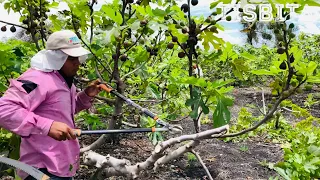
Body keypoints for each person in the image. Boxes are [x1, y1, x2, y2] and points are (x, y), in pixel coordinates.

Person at [0, 30, 101, 180]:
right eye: (71, 58)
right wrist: (47, 126)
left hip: (60, 166)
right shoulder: (36, 78)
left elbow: (62, 112)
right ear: (56, 57)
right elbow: (4, 110)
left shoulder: (64, 80)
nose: (77, 63)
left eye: (78, 57)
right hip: (41, 169)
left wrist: (85, 96)